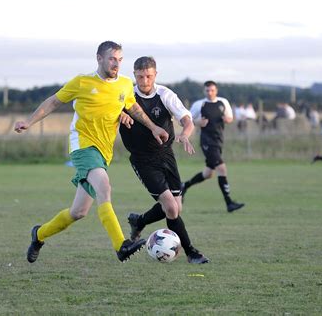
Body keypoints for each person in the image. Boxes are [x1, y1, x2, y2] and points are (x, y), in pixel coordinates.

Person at [14, 41, 169, 263]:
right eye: (112, 58)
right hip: (83, 145)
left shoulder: (125, 84)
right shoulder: (82, 82)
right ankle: (121, 245)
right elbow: (53, 102)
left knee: (78, 212)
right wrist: (29, 122)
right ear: (99, 58)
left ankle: (38, 235)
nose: (116, 63)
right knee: (104, 187)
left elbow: (133, 107)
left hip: (104, 151)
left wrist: (154, 127)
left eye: (119, 59)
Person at [119, 56, 209, 264]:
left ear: (155, 74)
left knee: (176, 208)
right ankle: (191, 252)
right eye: (140, 76)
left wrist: (185, 134)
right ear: (134, 75)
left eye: (148, 76)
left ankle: (139, 220)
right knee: (170, 207)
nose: (144, 81)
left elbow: (186, 120)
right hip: (142, 159)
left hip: (165, 155)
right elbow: (107, 114)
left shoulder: (165, 94)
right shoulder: (125, 96)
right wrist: (119, 116)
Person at [181, 81, 245, 212]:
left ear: (216, 90)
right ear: (204, 91)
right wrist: (198, 122)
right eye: (207, 91)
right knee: (222, 168)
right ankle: (229, 203)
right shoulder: (199, 104)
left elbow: (230, 118)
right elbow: (187, 121)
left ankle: (184, 186)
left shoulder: (223, 102)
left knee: (208, 173)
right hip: (206, 141)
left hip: (218, 140)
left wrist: (228, 119)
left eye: (212, 90)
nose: (210, 93)